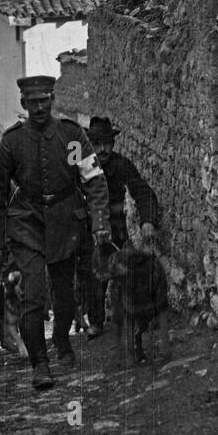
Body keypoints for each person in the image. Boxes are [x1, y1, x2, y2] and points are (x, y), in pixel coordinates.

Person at [0, 75, 111, 390]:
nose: (39, 107)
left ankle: (61, 340)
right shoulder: (12, 141)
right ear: (23, 104)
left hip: (64, 221)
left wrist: (99, 222)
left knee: (64, 293)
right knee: (33, 294)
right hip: (27, 222)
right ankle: (40, 363)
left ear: (52, 100)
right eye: (33, 102)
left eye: (44, 101)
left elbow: (93, 179)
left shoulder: (71, 136)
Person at [80, 115, 161, 339]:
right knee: (93, 276)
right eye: (98, 144)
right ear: (90, 144)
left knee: (135, 269)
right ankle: (96, 321)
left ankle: (142, 316)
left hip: (117, 230)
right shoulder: (81, 167)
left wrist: (148, 220)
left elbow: (143, 192)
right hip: (89, 231)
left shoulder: (121, 165)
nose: (104, 149)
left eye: (108, 143)